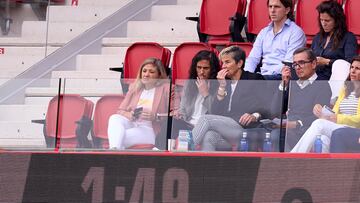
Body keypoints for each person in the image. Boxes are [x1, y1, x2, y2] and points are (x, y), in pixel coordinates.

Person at [191, 45, 266, 151]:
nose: (223, 66)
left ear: (239, 63)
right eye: (222, 63)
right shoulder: (223, 82)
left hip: (245, 129)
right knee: (209, 136)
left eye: (227, 62)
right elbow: (215, 111)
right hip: (225, 131)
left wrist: (255, 115)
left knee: (205, 119)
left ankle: (185, 151)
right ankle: (206, 167)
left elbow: (267, 105)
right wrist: (221, 86)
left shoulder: (254, 79)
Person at [291, 55, 360, 153]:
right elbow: (334, 112)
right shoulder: (345, 89)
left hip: (355, 130)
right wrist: (323, 112)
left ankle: (294, 156)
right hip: (340, 126)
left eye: (357, 68)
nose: (353, 71)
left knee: (319, 124)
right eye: (352, 67)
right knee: (322, 139)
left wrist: (338, 118)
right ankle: (322, 168)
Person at [270, 47, 332, 151]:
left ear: (313, 64)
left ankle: (284, 165)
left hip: (306, 130)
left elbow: (320, 117)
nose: (297, 67)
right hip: (287, 126)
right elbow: (275, 110)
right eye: (295, 64)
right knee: (263, 131)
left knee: (277, 134)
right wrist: (283, 84)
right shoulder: (293, 84)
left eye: (301, 63)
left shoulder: (323, 85)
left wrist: (297, 124)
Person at [107, 58, 169, 150]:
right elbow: (120, 111)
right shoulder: (134, 87)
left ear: (159, 75)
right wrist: (130, 114)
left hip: (149, 130)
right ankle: (115, 151)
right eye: (144, 71)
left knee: (118, 138)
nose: (146, 74)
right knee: (114, 118)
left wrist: (156, 116)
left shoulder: (167, 88)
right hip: (133, 123)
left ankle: (114, 151)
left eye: (151, 72)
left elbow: (177, 114)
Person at [244, 0, 306, 80]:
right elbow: (253, 58)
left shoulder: (296, 32)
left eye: (277, 7)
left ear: (287, 10)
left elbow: (289, 64)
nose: (272, 10)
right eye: (270, 7)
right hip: (262, 76)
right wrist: (246, 75)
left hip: (281, 77)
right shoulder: (264, 32)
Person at [171, 50, 220, 138]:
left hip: (206, 126)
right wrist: (180, 115)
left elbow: (215, 111)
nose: (201, 72)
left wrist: (205, 93)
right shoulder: (190, 83)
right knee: (169, 123)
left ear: (213, 69)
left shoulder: (219, 85)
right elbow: (183, 108)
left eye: (206, 68)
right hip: (188, 123)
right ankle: (161, 150)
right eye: (199, 67)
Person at [311, 0, 357, 80]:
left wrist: (327, 62)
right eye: (321, 20)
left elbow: (350, 64)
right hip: (314, 77)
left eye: (327, 20)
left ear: (337, 21)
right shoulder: (317, 37)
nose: (323, 23)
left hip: (333, 79)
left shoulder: (348, 37)